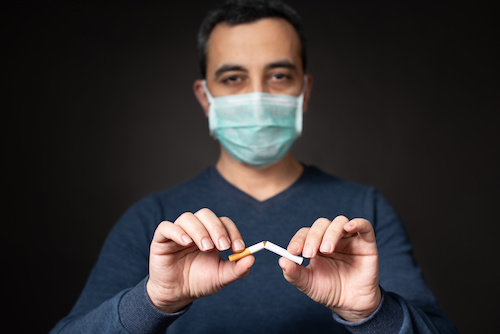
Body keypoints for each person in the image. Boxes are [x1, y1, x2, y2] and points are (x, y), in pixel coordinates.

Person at [51, 0, 457, 333]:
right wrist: (154, 300)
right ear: (205, 97)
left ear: (305, 90)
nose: (258, 96)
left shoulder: (363, 214)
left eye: (279, 75)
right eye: (233, 78)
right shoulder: (155, 224)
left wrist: (372, 312)